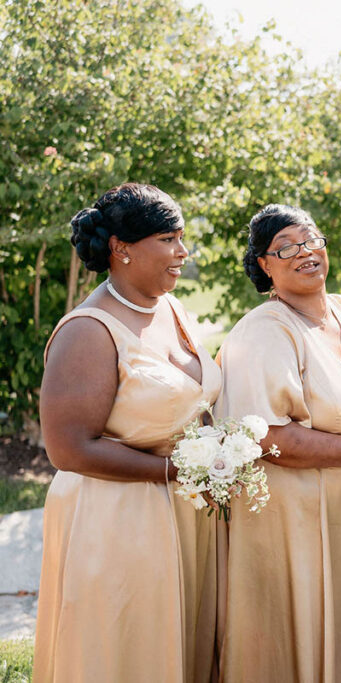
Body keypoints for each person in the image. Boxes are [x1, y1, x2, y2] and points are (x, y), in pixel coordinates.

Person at [34, 183, 221, 682]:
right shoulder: (87, 331)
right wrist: (176, 470)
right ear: (122, 248)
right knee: (127, 651)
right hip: (117, 520)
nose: (183, 252)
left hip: (183, 510)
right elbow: (69, 449)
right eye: (169, 240)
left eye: (182, 238)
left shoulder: (171, 308)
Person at [215, 204, 341, 683]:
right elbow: (270, 435)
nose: (305, 252)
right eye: (286, 247)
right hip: (297, 520)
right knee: (303, 635)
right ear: (264, 264)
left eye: (311, 239)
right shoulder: (265, 331)